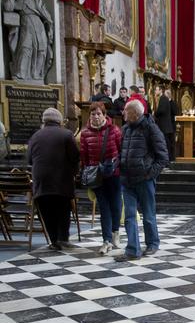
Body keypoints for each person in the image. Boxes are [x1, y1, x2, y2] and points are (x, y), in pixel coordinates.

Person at [115, 100, 168, 261]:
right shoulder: (124, 129)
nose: (123, 113)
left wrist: (149, 174)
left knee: (148, 214)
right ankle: (132, 250)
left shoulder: (151, 128)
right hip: (127, 180)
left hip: (144, 180)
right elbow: (121, 152)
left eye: (126, 110)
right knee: (129, 216)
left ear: (135, 113)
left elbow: (163, 157)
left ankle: (152, 243)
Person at [27, 108, 79, 250]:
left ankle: (54, 241)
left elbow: (29, 160)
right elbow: (75, 157)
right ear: (59, 121)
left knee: (47, 210)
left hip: (41, 180)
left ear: (44, 121)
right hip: (62, 179)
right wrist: (75, 173)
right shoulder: (67, 134)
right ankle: (63, 239)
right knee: (63, 208)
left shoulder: (35, 136)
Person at [79, 102, 123, 255]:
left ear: (105, 115)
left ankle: (115, 233)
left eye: (99, 114)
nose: (96, 116)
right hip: (97, 175)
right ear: (89, 116)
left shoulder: (114, 130)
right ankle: (106, 240)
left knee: (116, 205)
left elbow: (121, 151)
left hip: (114, 174)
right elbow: (84, 157)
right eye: (93, 114)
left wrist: (116, 165)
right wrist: (87, 172)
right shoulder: (85, 133)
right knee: (104, 208)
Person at [3, 0, 53, 82]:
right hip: (26, 24)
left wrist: (49, 27)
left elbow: (45, 14)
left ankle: (37, 74)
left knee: (41, 50)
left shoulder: (37, 0)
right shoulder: (19, 1)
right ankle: (21, 73)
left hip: (39, 26)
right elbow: (7, 7)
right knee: (25, 48)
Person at [154, 85, 175, 162]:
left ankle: (168, 159)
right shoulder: (163, 98)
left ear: (160, 90)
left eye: (156, 90)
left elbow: (161, 110)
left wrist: (155, 113)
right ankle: (168, 159)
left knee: (166, 143)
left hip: (164, 125)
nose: (155, 91)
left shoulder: (163, 98)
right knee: (166, 142)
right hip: (165, 125)